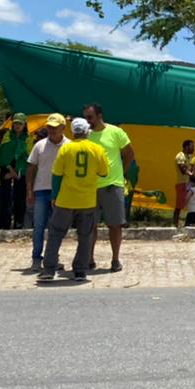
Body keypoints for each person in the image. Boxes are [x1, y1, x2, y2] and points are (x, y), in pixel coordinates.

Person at [38, 117, 109, 283]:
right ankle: (80, 271)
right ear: (87, 132)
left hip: (66, 200)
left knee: (56, 234)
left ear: (73, 132)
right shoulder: (97, 149)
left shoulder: (65, 149)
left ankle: (49, 269)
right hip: (87, 200)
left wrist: (54, 196)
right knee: (85, 236)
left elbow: (56, 175)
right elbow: (104, 172)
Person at [83, 102, 135, 272]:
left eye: (89, 117)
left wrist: (121, 173)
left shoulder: (115, 132)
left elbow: (129, 153)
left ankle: (115, 259)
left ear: (99, 116)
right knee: (90, 225)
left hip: (112, 185)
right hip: (90, 187)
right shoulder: (85, 135)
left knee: (115, 225)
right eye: (85, 118)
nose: (87, 121)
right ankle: (89, 259)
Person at [25, 113, 66, 269]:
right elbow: (31, 168)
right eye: (49, 127)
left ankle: (52, 258)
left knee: (56, 228)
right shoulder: (39, 145)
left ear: (63, 127)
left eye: (55, 127)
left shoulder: (68, 146)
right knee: (39, 226)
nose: (51, 130)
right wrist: (29, 190)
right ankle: (36, 258)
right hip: (41, 191)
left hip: (61, 192)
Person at [0, 113, 31, 229]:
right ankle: (3, 224)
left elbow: (29, 157)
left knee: (20, 198)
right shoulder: (7, 136)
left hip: (21, 172)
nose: (17, 125)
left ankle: (18, 223)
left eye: (20, 123)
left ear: (24, 125)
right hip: (6, 170)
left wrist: (18, 172)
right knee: (5, 197)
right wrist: (11, 170)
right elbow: (3, 155)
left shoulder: (28, 138)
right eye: (15, 123)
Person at [174, 138, 194, 228]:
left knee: (191, 200)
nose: (193, 148)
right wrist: (191, 174)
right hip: (181, 183)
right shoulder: (180, 156)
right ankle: (175, 224)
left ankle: (188, 222)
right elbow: (182, 169)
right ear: (186, 147)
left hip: (187, 183)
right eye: (191, 146)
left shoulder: (188, 157)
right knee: (179, 205)